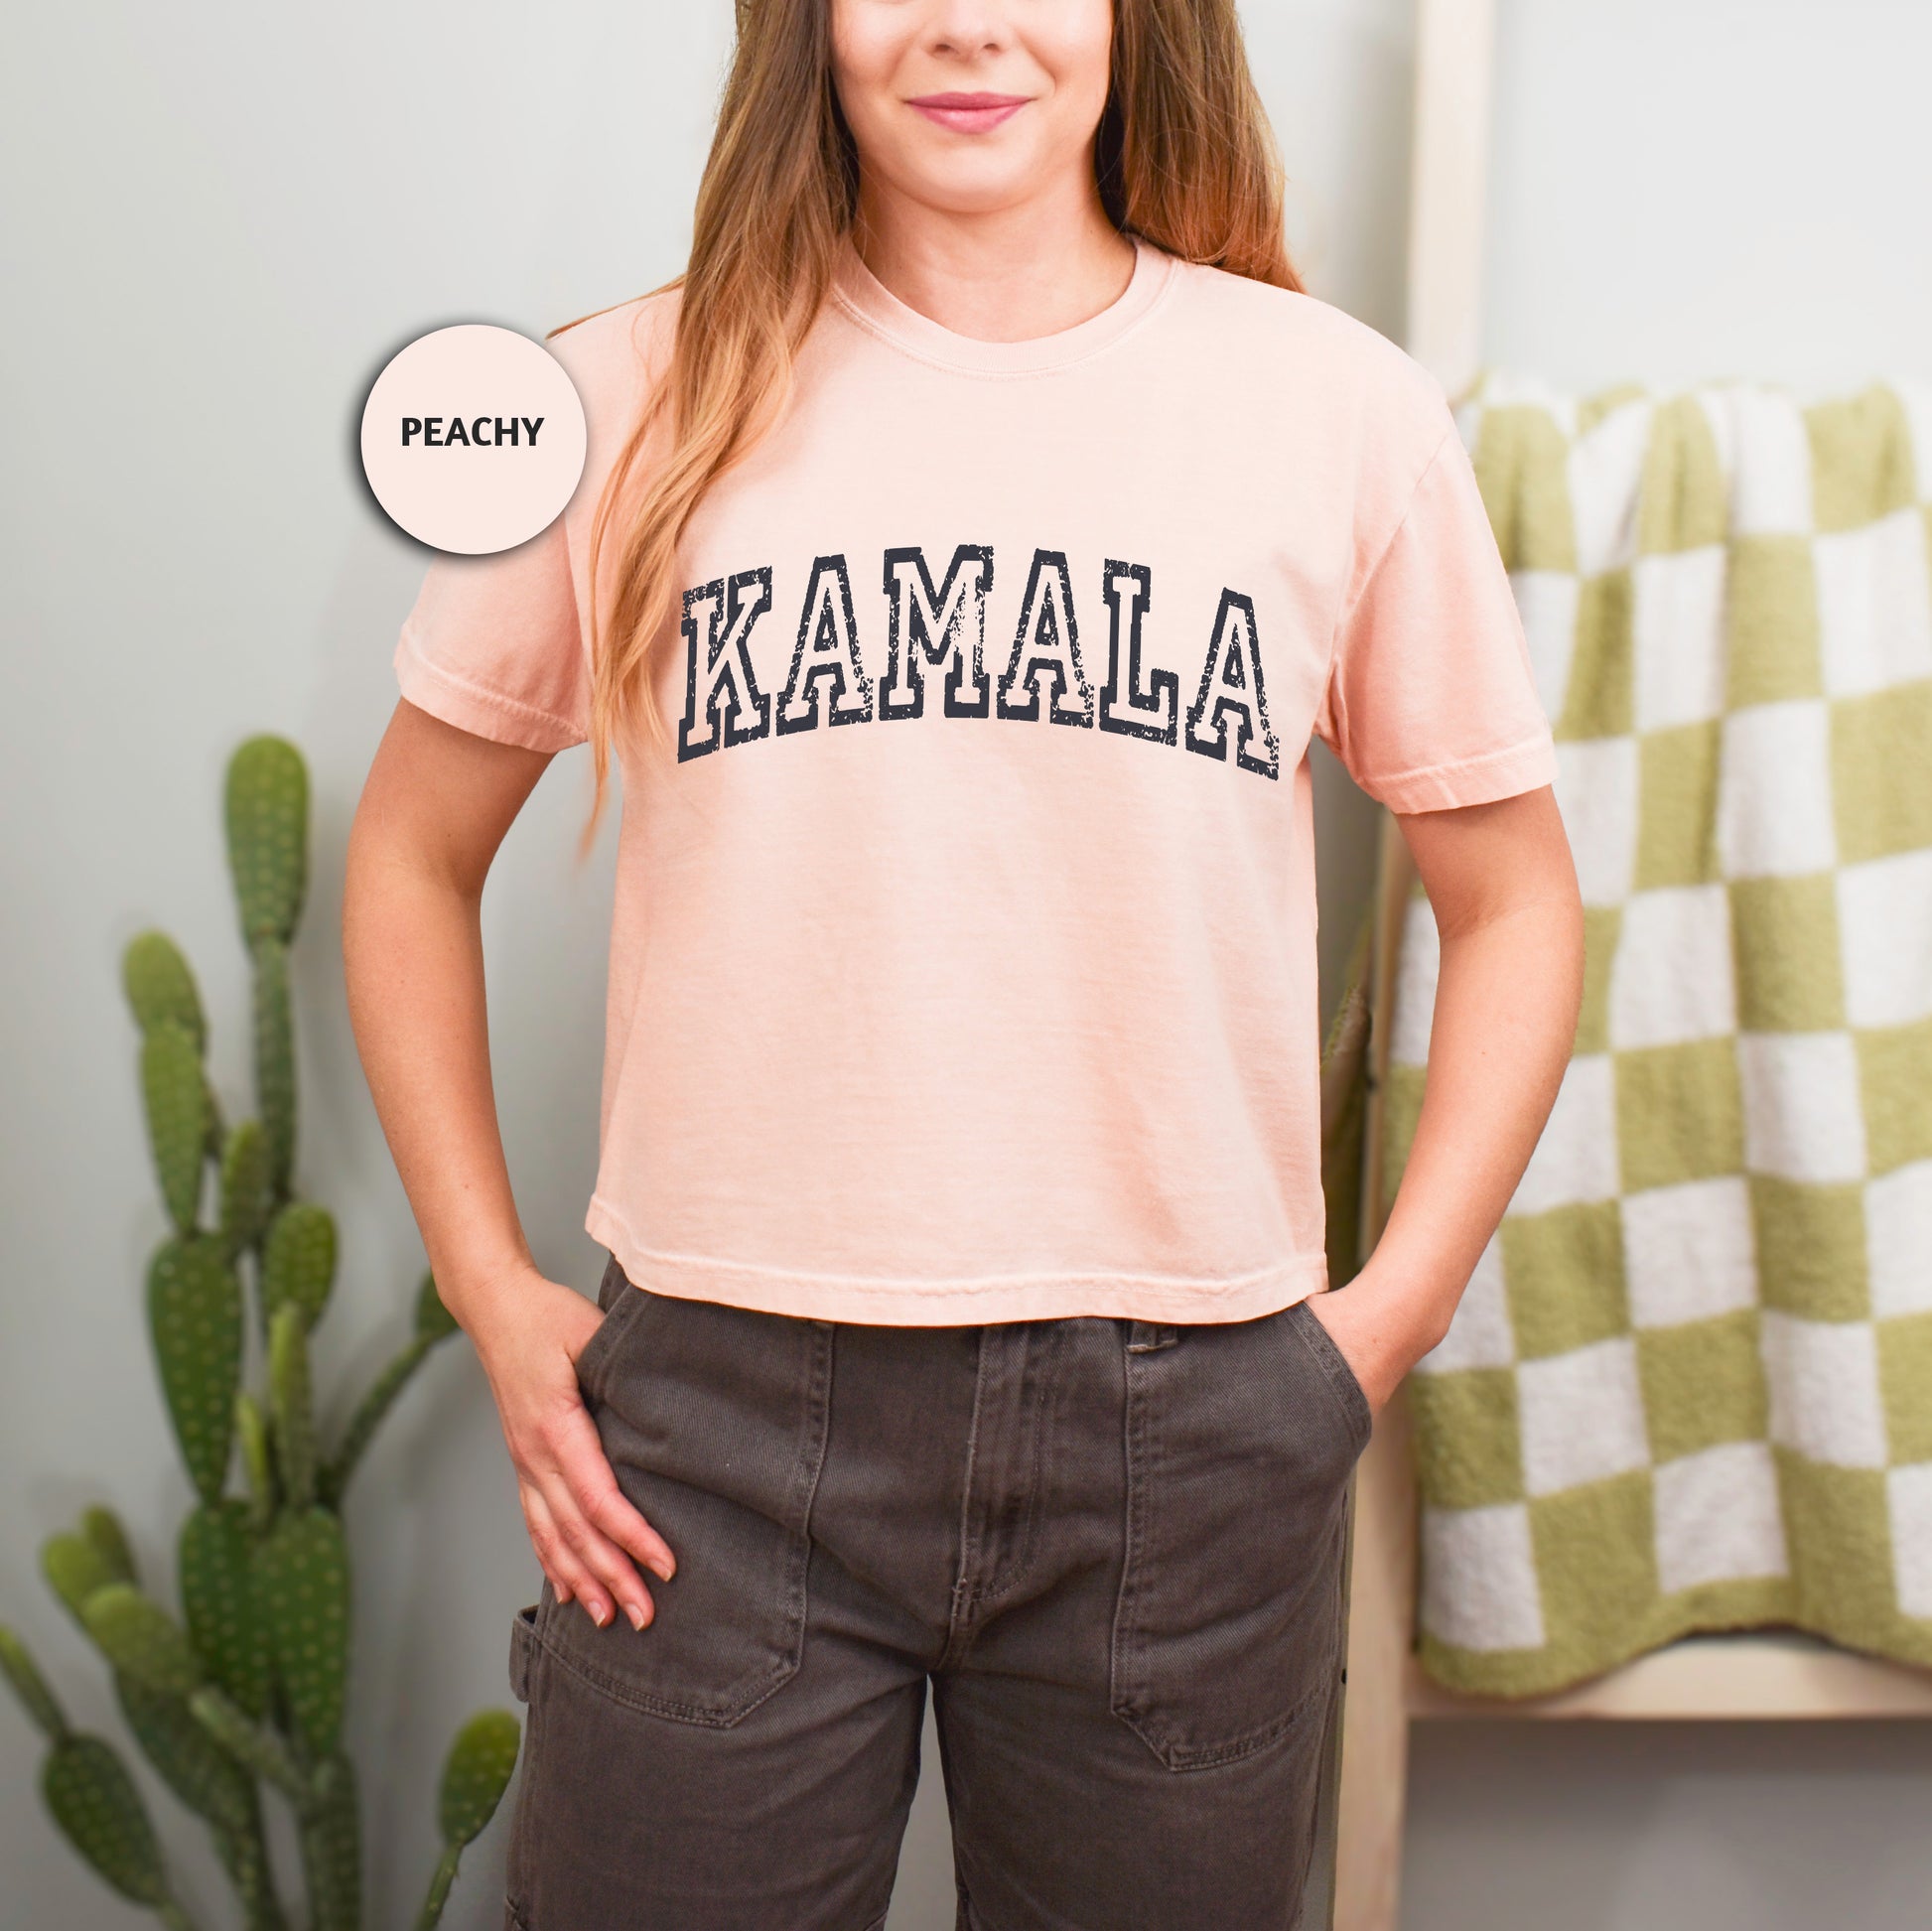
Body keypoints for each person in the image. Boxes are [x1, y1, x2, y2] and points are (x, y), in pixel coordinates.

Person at [344, 2, 1585, 1924]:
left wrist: (1378, 1327)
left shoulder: (1331, 410)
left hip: (1189, 1425)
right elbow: (411, 856)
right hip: (712, 1431)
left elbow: (1511, 898)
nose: (967, 25)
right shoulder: (623, 396)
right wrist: (497, 1295)